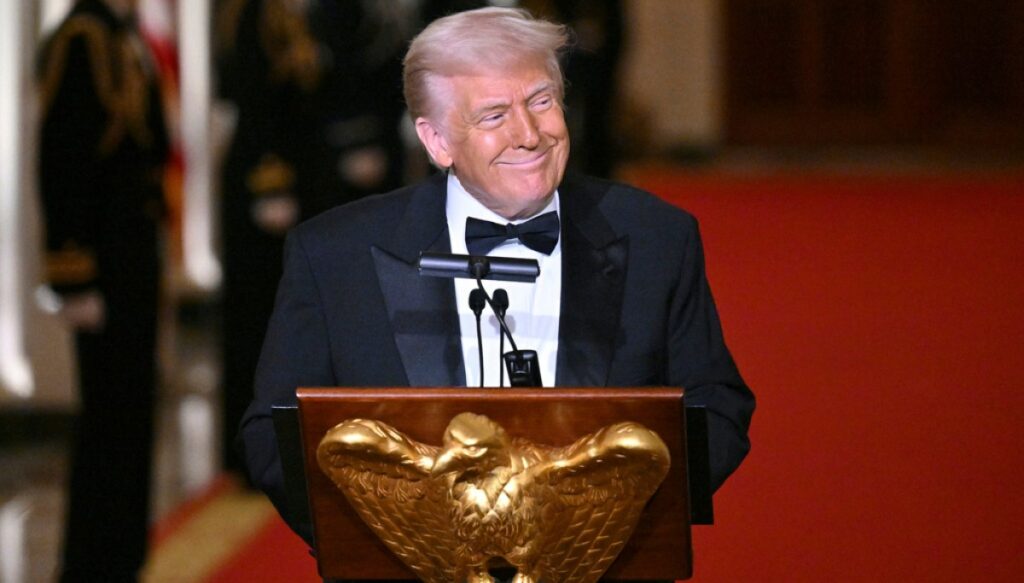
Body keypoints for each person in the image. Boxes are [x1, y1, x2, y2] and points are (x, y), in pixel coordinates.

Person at [239, 5, 754, 576]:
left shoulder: (658, 238)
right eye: (494, 115)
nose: (529, 135)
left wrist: (607, 530)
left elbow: (718, 410)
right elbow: (273, 434)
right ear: (437, 141)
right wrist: (402, 547)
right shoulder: (334, 257)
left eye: (541, 101)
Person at [36, 0, 168, 580]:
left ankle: (122, 555)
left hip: (133, 256)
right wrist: (74, 275)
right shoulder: (81, 41)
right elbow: (61, 162)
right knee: (107, 420)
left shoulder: (121, 37)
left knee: (133, 414)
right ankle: (93, 563)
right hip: (103, 264)